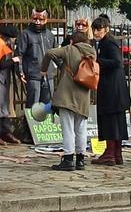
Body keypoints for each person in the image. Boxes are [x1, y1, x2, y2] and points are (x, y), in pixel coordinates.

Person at [40, 32, 97, 171]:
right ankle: (81, 160)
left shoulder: (70, 49)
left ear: (72, 41)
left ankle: (68, 159)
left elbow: (49, 53)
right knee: (81, 129)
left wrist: (44, 70)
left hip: (67, 96)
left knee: (68, 129)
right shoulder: (92, 53)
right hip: (83, 96)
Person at [91, 16, 131, 166]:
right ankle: (115, 154)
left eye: (98, 29)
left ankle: (111, 154)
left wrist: (97, 61)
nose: (95, 32)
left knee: (111, 122)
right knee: (115, 122)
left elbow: (117, 62)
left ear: (106, 29)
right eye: (94, 29)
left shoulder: (109, 42)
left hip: (112, 90)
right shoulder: (104, 42)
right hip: (113, 90)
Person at [0, 26, 22, 145]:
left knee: (4, 106)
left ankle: (4, 131)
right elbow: (0, 64)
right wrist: (14, 60)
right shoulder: (0, 45)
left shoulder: (5, 45)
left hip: (4, 78)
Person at [16, 9, 56, 108]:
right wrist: (20, 71)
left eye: (41, 19)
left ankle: (46, 124)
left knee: (47, 106)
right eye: (35, 19)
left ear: (46, 20)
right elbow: (19, 54)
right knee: (32, 106)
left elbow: (56, 54)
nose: (37, 21)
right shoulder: (25, 34)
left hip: (48, 75)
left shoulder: (50, 35)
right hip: (33, 75)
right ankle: (28, 124)